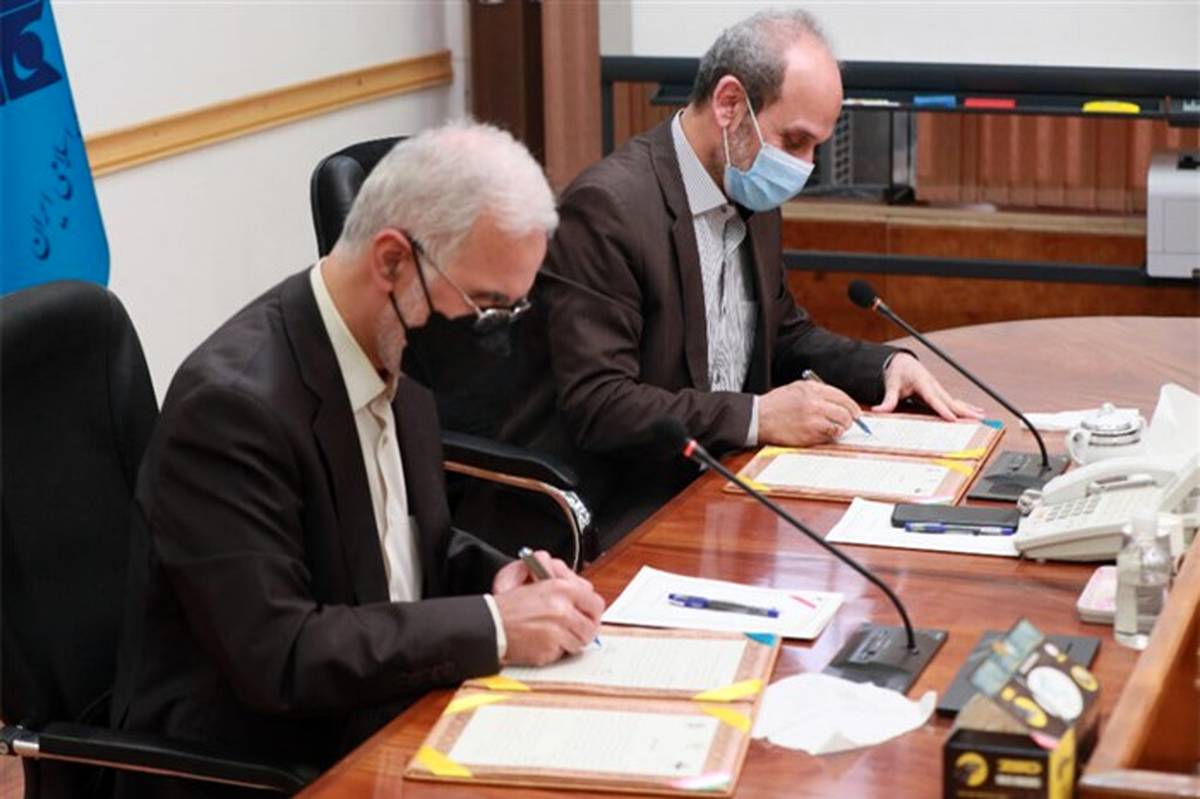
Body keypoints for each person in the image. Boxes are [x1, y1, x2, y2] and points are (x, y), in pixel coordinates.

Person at [110, 121, 604, 796]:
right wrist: (493, 628)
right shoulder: (231, 407)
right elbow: (282, 653)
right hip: (266, 762)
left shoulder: (395, 345)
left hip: (384, 711)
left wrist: (501, 578)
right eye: (486, 306)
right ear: (393, 262)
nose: (494, 336)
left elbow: (406, 548)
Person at [494, 9, 983, 548]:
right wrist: (758, 415)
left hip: (726, 483)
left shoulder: (747, 184)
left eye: (815, 147)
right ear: (729, 104)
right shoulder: (609, 209)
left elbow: (783, 334)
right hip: (628, 505)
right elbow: (601, 404)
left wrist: (886, 365)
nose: (804, 167)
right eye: (794, 141)